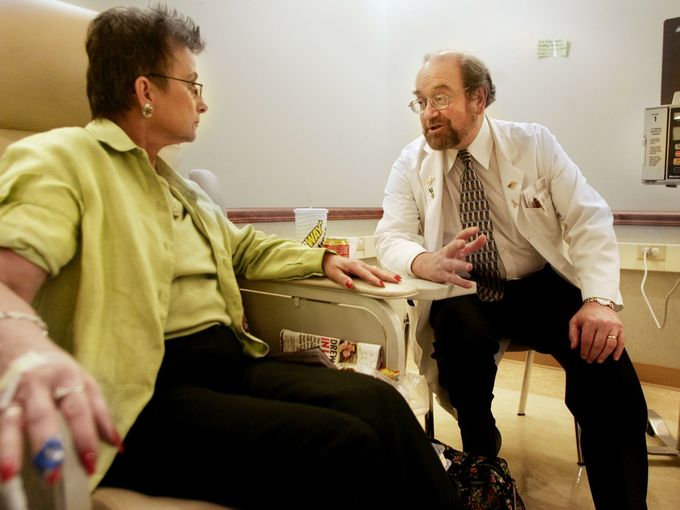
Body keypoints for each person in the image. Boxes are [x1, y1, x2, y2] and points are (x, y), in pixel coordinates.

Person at [0, 8, 467, 509]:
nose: (202, 102)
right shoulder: (64, 159)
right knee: (345, 445)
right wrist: (31, 354)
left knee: (380, 403)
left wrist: (321, 260)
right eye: (192, 84)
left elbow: (241, 246)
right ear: (145, 92)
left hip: (226, 363)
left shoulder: (179, 188)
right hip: (144, 397)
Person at [374, 50, 649, 510]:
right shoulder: (411, 161)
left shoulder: (533, 144)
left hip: (539, 285)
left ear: (479, 99)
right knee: (459, 335)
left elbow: (587, 218)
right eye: (419, 101)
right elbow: (391, 236)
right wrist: (425, 260)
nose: (428, 113)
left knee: (605, 366)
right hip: (463, 285)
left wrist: (600, 300)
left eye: (440, 98)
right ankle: (483, 465)